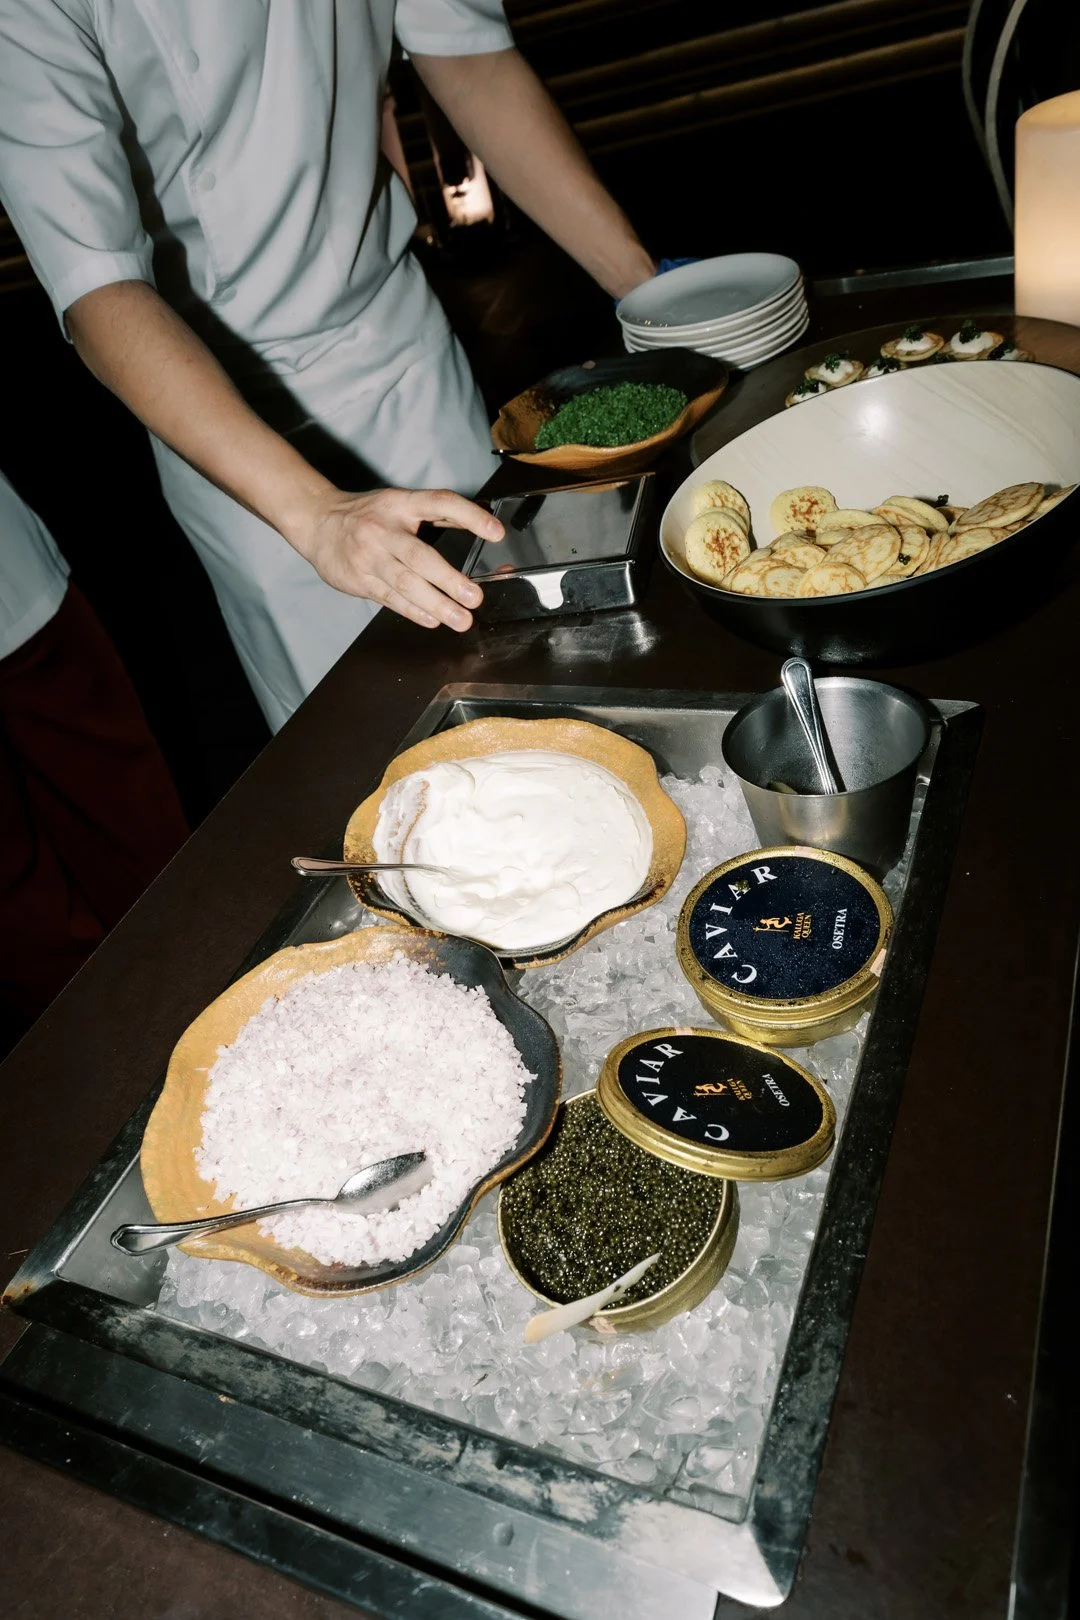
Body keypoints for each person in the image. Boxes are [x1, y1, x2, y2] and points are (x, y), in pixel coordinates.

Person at [0, 3, 658, 731]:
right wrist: (317, 516)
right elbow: (98, 285)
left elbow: (469, 58)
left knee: (552, 676)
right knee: (378, 746)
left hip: (403, 343)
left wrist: (649, 295)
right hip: (235, 430)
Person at [0, 471, 189, 1052]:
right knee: (23, 906)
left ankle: (202, 992)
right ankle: (123, 1064)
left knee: (136, 828)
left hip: (19, 601)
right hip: (21, 605)